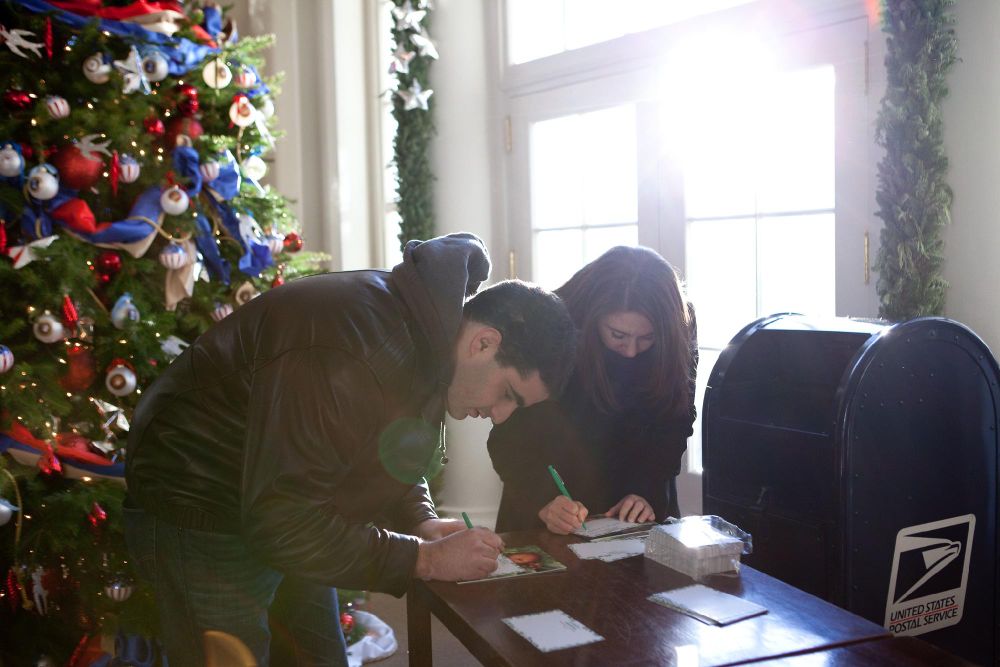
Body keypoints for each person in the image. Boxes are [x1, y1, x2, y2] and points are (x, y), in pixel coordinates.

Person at [123, 232, 576, 667]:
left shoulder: (431, 342)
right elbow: (281, 521)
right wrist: (423, 558)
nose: (500, 416)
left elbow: (386, 448)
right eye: (508, 394)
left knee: (319, 656)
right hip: (198, 501)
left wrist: (420, 519)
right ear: (484, 342)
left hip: (288, 504)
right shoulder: (350, 349)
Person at [488, 245, 698, 535]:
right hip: (550, 497)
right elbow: (508, 434)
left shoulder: (678, 323)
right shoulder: (550, 326)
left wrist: (646, 491)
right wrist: (543, 500)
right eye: (618, 335)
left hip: (638, 503)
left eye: (647, 338)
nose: (631, 351)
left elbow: (676, 419)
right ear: (592, 315)